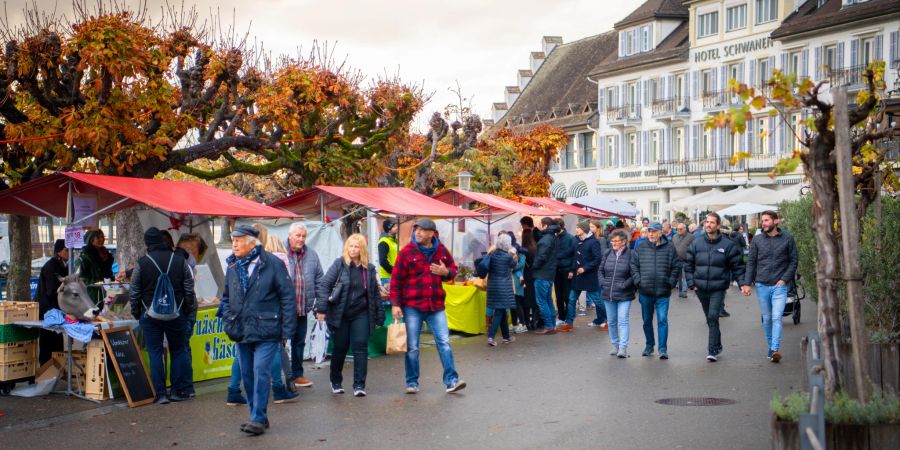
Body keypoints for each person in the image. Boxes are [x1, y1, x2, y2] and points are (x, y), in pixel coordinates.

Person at [219, 225, 296, 435]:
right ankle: (257, 415)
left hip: (268, 328)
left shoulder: (272, 263)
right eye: (233, 239)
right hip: (242, 329)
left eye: (239, 239)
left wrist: (287, 331)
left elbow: (287, 297)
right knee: (247, 374)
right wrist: (228, 319)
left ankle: (258, 418)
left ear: (252, 242)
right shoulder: (233, 265)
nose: (234, 243)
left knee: (261, 370)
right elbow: (226, 297)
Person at [390, 218, 465, 394]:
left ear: (432, 233)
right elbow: (396, 280)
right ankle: (412, 382)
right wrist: (395, 304)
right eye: (416, 229)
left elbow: (453, 269)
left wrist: (446, 272)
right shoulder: (406, 252)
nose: (418, 232)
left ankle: (452, 381)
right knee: (413, 346)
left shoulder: (441, 250)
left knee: (444, 342)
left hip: (436, 305)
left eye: (423, 230)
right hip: (412, 306)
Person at [129, 227, 196, 404]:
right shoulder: (180, 260)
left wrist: (137, 312)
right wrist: (187, 309)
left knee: (155, 352)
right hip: (177, 313)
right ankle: (177, 391)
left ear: (147, 243)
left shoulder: (142, 263)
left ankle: (160, 394)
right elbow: (189, 288)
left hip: (150, 315)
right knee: (178, 351)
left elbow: (134, 290)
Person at [316, 234, 385, 396]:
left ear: (362, 249)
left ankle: (359, 385)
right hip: (340, 314)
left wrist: (380, 315)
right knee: (340, 347)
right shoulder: (339, 264)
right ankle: (336, 381)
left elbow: (374, 294)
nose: (353, 249)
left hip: (361, 313)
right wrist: (321, 309)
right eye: (350, 246)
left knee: (360, 347)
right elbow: (325, 285)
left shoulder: (369, 268)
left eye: (356, 247)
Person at [685, 212, 746, 362]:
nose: (708, 225)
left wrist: (743, 284)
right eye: (707, 222)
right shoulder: (696, 243)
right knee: (710, 319)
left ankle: (711, 350)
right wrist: (692, 284)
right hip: (700, 288)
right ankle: (717, 345)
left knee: (713, 316)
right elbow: (688, 264)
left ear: (718, 225)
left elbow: (737, 266)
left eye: (712, 222)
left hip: (718, 288)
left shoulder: (727, 245)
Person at [741, 211, 798, 363]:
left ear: (776, 221)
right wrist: (747, 283)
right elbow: (751, 263)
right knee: (767, 319)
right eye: (762, 221)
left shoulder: (787, 238)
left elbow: (793, 261)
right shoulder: (757, 240)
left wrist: (784, 279)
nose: (763, 223)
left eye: (766, 220)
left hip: (779, 286)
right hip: (761, 285)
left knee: (776, 317)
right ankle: (771, 347)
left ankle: (775, 349)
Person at [631, 222, 680, 360]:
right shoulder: (640, 246)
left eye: (654, 231)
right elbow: (634, 265)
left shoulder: (670, 247)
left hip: (663, 292)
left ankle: (662, 349)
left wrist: (670, 283)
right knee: (647, 320)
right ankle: (649, 345)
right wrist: (638, 281)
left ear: (660, 233)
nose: (651, 234)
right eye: (649, 231)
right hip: (645, 291)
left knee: (662, 320)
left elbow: (676, 266)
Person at [284, 222, 324, 388]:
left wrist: (320, 306)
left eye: (303, 236)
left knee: (299, 342)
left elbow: (320, 282)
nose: (301, 239)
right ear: (290, 236)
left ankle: (297, 375)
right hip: (283, 309)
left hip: (302, 308)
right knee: (279, 343)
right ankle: (280, 377)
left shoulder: (312, 255)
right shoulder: (281, 253)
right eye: (297, 235)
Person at [559, 221, 603, 332]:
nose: (576, 229)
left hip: (589, 276)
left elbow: (597, 259)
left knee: (597, 300)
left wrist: (585, 268)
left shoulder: (593, 242)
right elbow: (569, 253)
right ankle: (569, 323)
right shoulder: (576, 240)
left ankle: (607, 320)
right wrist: (554, 256)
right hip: (577, 277)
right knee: (572, 299)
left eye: (578, 228)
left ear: (584, 229)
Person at [599, 229, 636, 358]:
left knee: (623, 320)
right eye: (612, 241)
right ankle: (615, 344)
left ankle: (623, 348)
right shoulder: (607, 253)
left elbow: (634, 274)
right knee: (612, 321)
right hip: (608, 292)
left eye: (616, 241)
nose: (613, 243)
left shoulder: (631, 254)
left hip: (624, 294)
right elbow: (600, 271)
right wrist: (603, 283)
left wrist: (624, 285)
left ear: (624, 241)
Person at [36, 239, 68, 364]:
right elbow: (51, 291)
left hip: (57, 311)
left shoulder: (64, 266)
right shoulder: (51, 266)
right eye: (66, 250)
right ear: (59, 251)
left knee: (57, 341)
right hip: (47, 310)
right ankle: (45, 370)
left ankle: (56, 369)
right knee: (47, 342)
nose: (69, 252)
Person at [484, 233, 519, 346]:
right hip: (503, 287)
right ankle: (491, 337)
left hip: (493, 286)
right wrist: (514, 254)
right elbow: (514, 265)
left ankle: (506, 337)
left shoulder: (492, 254)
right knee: (499, 312)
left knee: (502, 311)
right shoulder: (508, 256)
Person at [532, 217, 560, 335]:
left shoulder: (546, 239)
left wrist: (534, 266)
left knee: (542, 301)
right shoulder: (554, 237)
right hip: (549, 273)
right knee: (548, 300)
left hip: (542, 273)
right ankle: (552, 325)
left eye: (540, 225)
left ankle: (549, 326)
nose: (539, 226)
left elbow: (541, 257)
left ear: (545, 225)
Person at [77, 229, 114, 305]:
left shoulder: (105, 252)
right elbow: (81, 277)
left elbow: (108, 272)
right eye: (98, 238)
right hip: (92, 293)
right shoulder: (85, 255)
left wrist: (113, 279)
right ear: (91, 240)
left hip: (107, 290)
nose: (101, 239)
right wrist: (96, 283)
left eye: (102, 237)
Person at [587, 220, 610, 329]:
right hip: (593, 270)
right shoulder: (592, 239)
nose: (590, 229)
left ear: (597, 228)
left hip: (599, 271)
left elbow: (602, 256)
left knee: (599, 296)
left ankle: (606, 319)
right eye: (590, 227)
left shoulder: (601, 240)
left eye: (592, 227)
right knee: (597, 296)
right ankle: (600, 319)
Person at [553, 218, 576, 325]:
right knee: (558, 295)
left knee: (567, 295)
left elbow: (574, 256)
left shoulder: (571, 238)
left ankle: (569, 317)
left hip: (567, 270)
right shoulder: (554, 238)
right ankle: (561, 317)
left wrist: (572, 270)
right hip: (556, 270)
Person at [507, 232, 528, 334]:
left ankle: (523, 324)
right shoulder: (508, 251)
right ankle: (514, 323)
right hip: (510, 279)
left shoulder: (520, 251)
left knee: (517, 302)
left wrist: (511, 266)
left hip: (518, 279)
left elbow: (521, 264)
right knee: (512, 302)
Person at [520, 223, 540, 330]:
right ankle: (535, 321)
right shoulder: (536, 248)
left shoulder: (523, 249)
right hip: (535, 275)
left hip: (525, 276)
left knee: (525, 300)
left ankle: (527, 322)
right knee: (535, 299)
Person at [671, 222, 695, 299]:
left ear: (685, 229)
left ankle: (684, 291)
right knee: (679, 277)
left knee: (685, 277)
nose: (679, 230)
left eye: (681, 229)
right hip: (677, 260)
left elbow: (694, 248)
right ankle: (680, 291)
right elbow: (672, 247)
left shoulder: (691, 237)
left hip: (686, 260)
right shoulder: (674, 236)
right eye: (678, 229)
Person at [378, 219, 399, 285]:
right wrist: (394, 271)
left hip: (395, 276)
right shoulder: (384, 241)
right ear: (389, 229)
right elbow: (383, 261)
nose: (397, 227)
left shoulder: (394, 241)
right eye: (394, 226)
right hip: (387, 277)